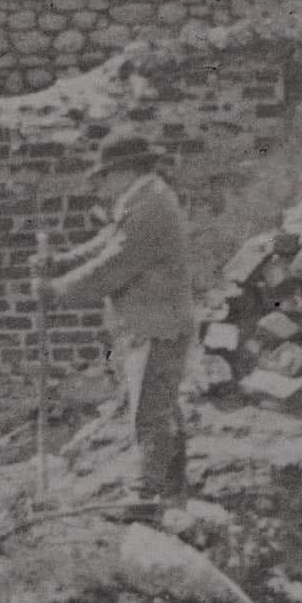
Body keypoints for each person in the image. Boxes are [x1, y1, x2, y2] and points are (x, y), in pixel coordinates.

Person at [44, 123, 202, 502]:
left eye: (106, 175)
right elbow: (108, 241)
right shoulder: (144, 197)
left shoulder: (149, 205)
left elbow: (116, 262)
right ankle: (173, 487)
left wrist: (58, 289)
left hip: (158, 326)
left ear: (126, 170)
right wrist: (62, 261)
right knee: (161, 407)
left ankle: (145, 494)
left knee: (149, 413)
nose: (103, 184)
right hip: (155, 322)